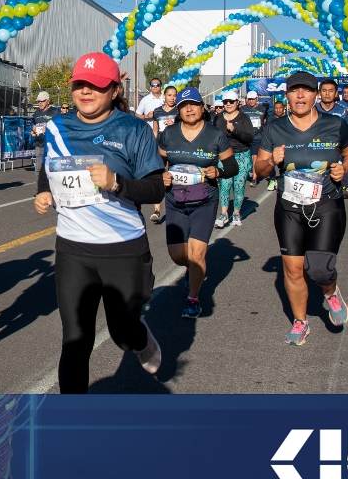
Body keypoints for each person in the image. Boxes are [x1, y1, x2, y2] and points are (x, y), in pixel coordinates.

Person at [34, 52, 165, 392]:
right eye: (79, 84)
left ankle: (140, 338)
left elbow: (155, 188)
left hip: (123, 248)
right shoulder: (57, 127)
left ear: (115, 90)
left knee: (122, 333)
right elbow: (49, 168)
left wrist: (116, 183)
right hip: (73, 249)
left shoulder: (134, 129)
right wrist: (43, 191)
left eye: (96, 85)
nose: (86, 91)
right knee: (75, 340)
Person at [253, 71, 348, 346]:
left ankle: (331, 292)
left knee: (320, 269)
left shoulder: (335, 124)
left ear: (316, 95)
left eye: (307, 90)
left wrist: (344, 168)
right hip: (289, 207)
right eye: (294, 90)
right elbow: (259, 170)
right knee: (292, 269)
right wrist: (271, 161)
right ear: (286, 95)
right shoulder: (275, 128)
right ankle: (300, 322)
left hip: (326, 204)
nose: (300, 96)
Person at [156, 87, 236, 317]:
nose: (189, 109)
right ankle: (190, 269)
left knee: (197, 254)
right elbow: (156, 161)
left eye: (193, 104)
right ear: (178, 109)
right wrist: (160, 175)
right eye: (184, 105)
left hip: (204, 200)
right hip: (175, 200)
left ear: (202, 107)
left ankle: (193, 298)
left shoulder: (215, 135)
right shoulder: (169, 134)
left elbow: (232, 166)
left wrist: (218, 172)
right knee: (178, 256)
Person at [213, 91, 253, 226]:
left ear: (237, 103)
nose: (228, 104)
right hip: (225, 156)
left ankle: (236, 213)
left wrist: (234, 130)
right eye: (225, 102)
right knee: (224, 185)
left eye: (231, 101)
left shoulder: (244, 118)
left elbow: (250, 137)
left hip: (242, 155)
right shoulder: (218, 118)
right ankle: (224, 214)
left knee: (238, 186)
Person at [147, 85, 179, 224]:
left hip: (175, 148)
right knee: (159, 176)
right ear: (164, 96)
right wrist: (152, 146)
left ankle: (174, 207)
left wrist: (174, 124)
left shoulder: (178, 111)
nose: (172, 98)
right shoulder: (158, 111)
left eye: (174, 95)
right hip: (160, 147)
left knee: (173, 177)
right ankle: (157, 210)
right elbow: (155, 131)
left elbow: (183, 130)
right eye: (169, 95)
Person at [265, 98, 288, 190]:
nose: (278, 110)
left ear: (284, 108)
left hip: (286, 144)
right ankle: (272, 179)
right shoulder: (270, 119)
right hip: (273, 144)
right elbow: (267, 132)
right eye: (276, 108)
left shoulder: (288, 118)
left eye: (280, 108)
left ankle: (286, 179)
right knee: (271, 162)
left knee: (285, 164)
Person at [31, 90, 55, 157]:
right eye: (39, 101)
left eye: (42, 101)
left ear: (48, 101)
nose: (40, 103)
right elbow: (33, 126)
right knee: (39, 164)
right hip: (39, 145)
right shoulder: (36, 113)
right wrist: (33, 131)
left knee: (51, 163)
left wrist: (48, 129)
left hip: (52, 145)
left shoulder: (55, 112)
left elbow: (60, 128)